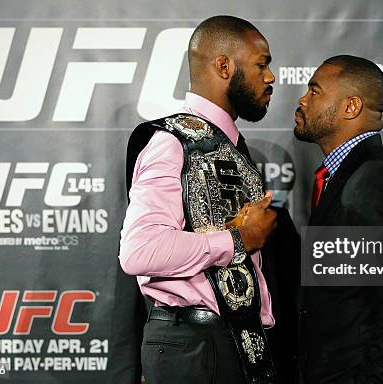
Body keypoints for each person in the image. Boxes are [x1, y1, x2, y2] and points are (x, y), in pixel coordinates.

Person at [114, 15, 290, 384]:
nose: (270, 77)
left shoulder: (232, 147)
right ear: (224, 66)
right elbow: (140, 251)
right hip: (196, 346)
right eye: (262, 64)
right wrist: (238, 240)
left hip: (235, 343)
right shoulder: (170, 140)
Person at [294, 55, 383, 384]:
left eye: (315, 91)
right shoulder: (348, 174)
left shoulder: (373, 182)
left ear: (351, 107)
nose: (302, 100)